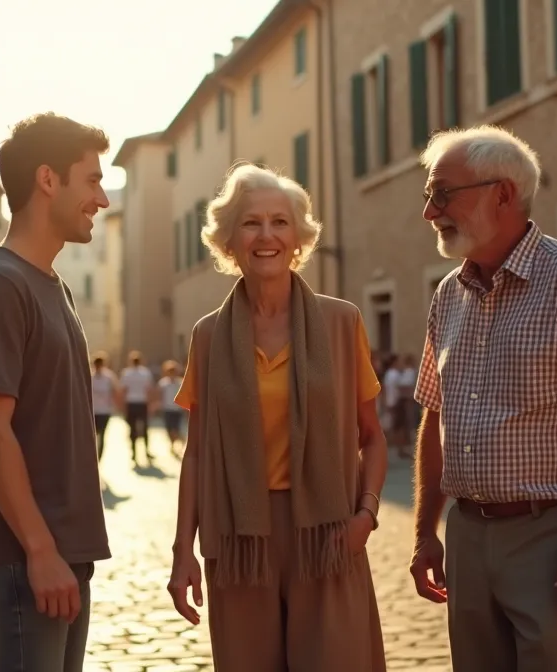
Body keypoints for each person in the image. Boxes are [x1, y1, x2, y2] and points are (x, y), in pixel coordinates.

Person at [406, 126, 557, 672]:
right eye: (428, 195)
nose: (430, 211)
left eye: (443, 193)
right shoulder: (448, 295)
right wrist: (426, 532)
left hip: (553, 539)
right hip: (468, 537)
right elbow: (435, 413)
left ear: (503, 194)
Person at [166, 163, 388, 670]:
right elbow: (196, 453)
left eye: (280, 222)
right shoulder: (207, 336)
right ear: (228, 241)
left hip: (327, 534)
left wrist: (366, 516)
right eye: (251, 223)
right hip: (239, 540)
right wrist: (183, 552)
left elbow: (372, 437)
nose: (266, 235)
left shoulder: (341, 322)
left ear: (298, 237)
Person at [0, 112, 112, 671]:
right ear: (48, 179)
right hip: (24, 556)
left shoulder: (51, 286)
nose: (103, 198)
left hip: (61, 551)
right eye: (92, 180)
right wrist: (40, 551)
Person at [90, 352, 121, 461]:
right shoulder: (90, 376)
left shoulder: (109, 377)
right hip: (92, 411)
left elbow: (115, 391)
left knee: (102, 434)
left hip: (105, 410)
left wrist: (117, 405)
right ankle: (92, 456)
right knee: (92, 435)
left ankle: (99, 458)